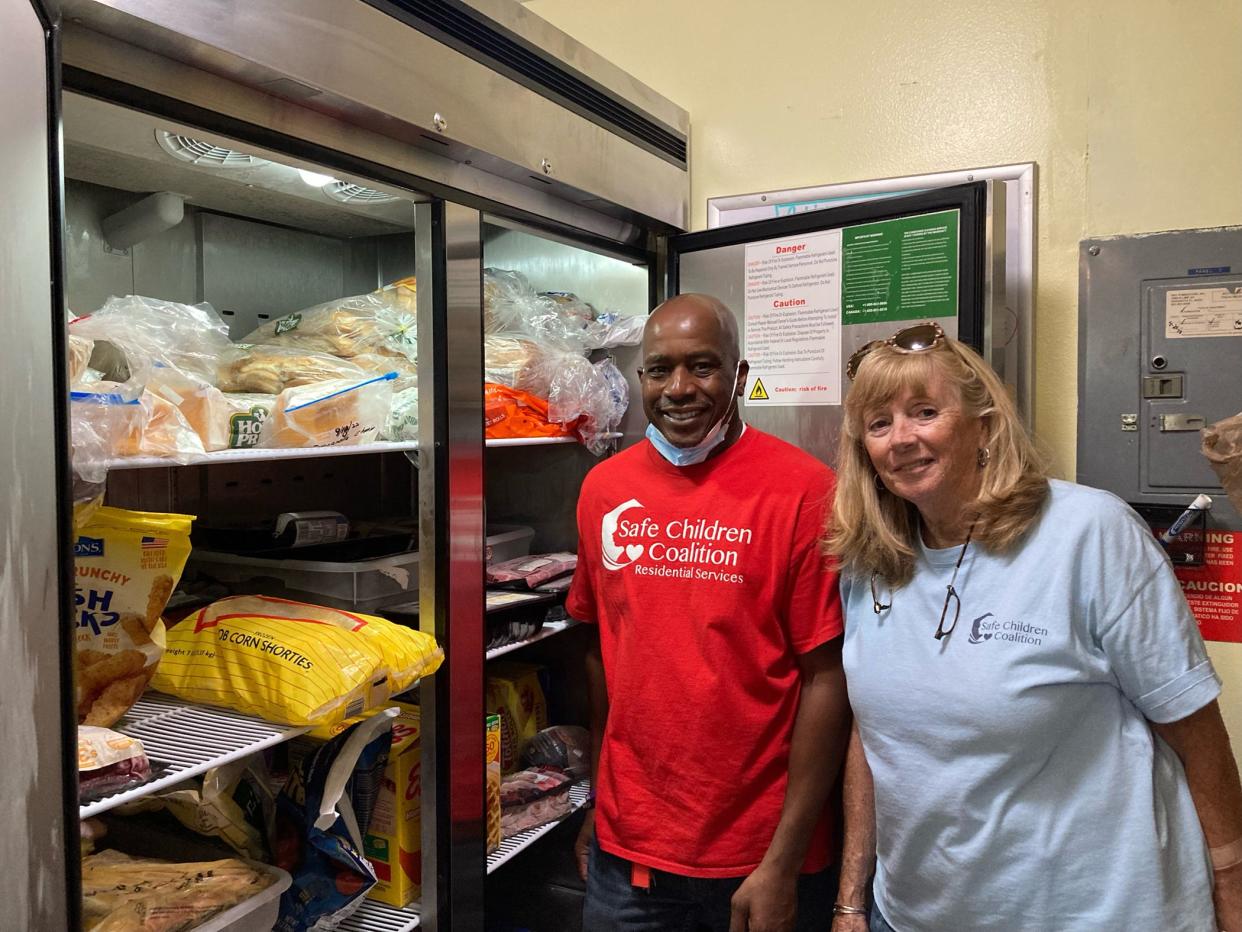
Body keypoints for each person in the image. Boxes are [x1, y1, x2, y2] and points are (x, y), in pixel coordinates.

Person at [825, 321, 1242, 932]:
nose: (901, 439)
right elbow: (875, 733)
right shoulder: (870, 560)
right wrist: (851, 900)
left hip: (1094, 913)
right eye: (879, 423)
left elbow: (1195, 730)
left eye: (924, 411)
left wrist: (1231, 883)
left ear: (984, 426)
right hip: (913, 914)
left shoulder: (1088, 533)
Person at [567, 293, 851, 932]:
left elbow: (826, 678)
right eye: (660, 370)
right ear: (640, 379)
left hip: (758, 857)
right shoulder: (604, 488)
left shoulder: (805, 492)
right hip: (629, 850)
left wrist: (784, 860)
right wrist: (599, 802)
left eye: (703, 367)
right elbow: (601, 647)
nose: (679, 389)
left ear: (740, 375)